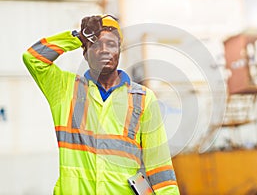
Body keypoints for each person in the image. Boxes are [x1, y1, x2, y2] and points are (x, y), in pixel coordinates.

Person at [23, 14, 180, 194]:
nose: (104, 50)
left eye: (111, 44)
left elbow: (160, 168)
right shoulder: (65, 90)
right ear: (85, 52)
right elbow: (33, 59)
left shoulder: (143, 98)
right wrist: (76, 36)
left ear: (119, 52)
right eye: (96, 44)